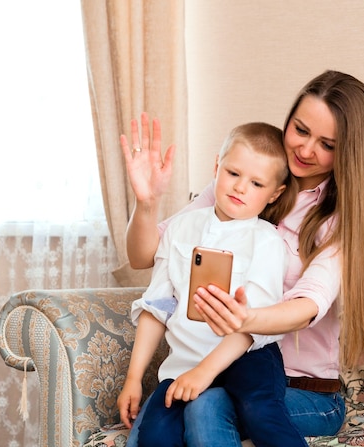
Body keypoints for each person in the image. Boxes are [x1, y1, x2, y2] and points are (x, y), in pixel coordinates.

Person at [122, 70, 364, 446]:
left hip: (303, 389)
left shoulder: (342, 221)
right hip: (218, 367)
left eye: (327, 144)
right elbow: (147, 255)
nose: (306, 149)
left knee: (206, 404)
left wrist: (247, 319)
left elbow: (306, 304)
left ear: (348, 150)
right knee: (160, 425)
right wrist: (146, 204)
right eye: (301, 130)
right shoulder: (240, 180)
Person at [117, 122, 307, 447]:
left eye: (257, 183)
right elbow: (156, 307)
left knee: (260, 412)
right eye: (233, 173)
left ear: (274, 193)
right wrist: (133, 378)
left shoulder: (267, 241)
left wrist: (205, 372)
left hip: (248, 356)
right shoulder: (180, 227)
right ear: (216, 166)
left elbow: (253, 326)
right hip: (184, 363)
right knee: (154, 436)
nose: (241, 188)